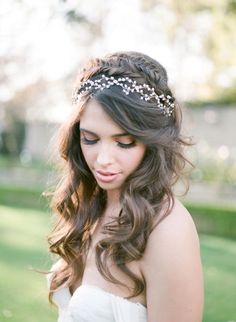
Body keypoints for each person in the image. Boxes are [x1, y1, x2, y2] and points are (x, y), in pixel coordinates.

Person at [47, 51, 204, 322]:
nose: (103, 160)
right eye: (90, 139)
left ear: (152, 142)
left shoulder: (168, 229)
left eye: (124, 142)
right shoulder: (92, 205)